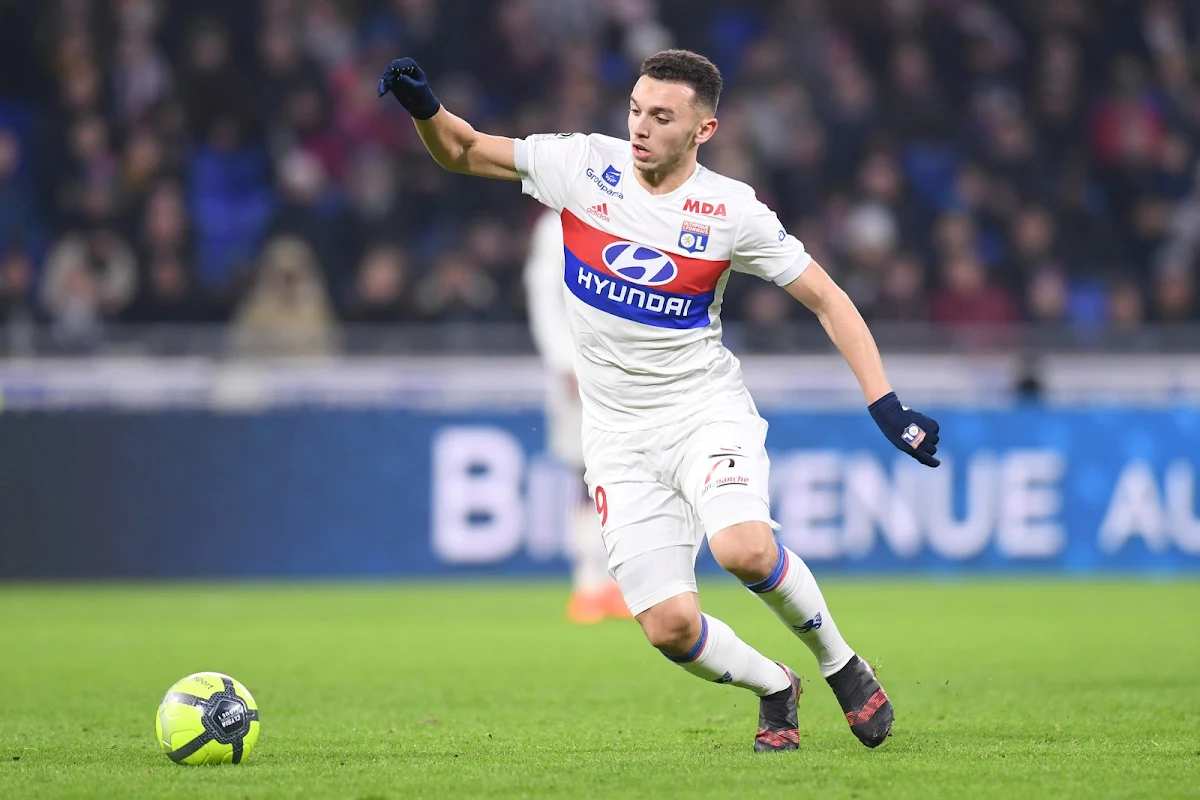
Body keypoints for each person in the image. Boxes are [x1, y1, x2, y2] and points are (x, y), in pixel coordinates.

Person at [378, 49, 942, 752]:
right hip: (614, 436)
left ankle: (842, 665)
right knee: (669, 628)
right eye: (636, 109)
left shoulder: (730, 211)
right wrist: (424, 110)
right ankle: (775, 686)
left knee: (741, 547)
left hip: (704, 413)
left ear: (704, 130)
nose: (640, 127)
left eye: (661, 116)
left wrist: (885, 404)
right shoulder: (584, 167)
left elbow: (827, 298)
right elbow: (461, 150)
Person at [524, 207, 632, 624]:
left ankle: (617, 582)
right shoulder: (556, 225)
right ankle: (588, 583)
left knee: (624, 476)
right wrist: (561, 360)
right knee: (585, 476)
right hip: (576, 371)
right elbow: (542, 294)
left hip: (621, 370)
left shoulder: (626, 217)